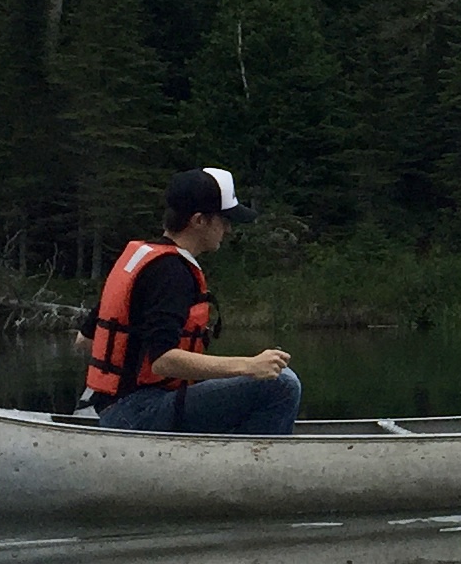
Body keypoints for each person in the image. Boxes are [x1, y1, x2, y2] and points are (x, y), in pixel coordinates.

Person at [82, 166, 301, 433]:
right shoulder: (172, 272)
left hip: (116, 407)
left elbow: (85, 339)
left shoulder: (144, 259)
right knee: (281, 384)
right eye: (224, 220)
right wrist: (249, 365)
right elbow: (162, 360)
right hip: (138, 413)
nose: (228, 230)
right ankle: (254, 469)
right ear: (199, 220)